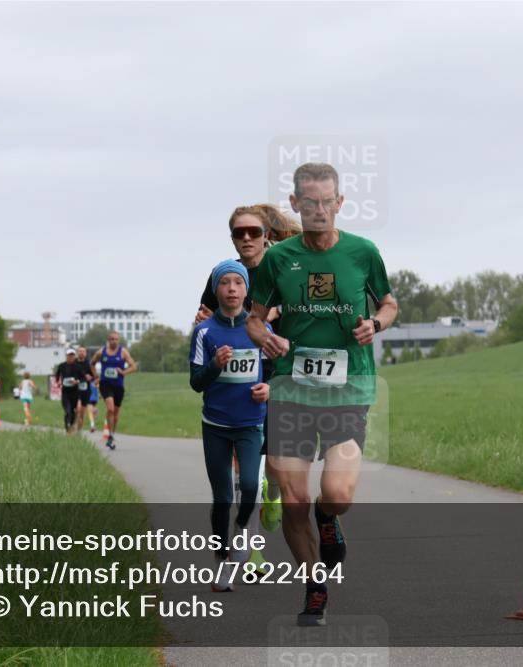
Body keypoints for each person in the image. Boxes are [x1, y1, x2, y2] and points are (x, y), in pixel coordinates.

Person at [247, 162, 398, 626]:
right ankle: (315, 586)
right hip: (291, 389)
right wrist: (264, 336)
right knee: (293, 498)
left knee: (336, 492)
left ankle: (329, 518)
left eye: (326, 202)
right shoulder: (278, 259)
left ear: (339, 204)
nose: (318, 210)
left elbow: (389, 303)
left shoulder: (362, 253)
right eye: (308, 202)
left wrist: (376, 323)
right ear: (295, 204)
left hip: (348, 388)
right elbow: (254, 318)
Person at [193, 205, 296, 533]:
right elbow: (206, 318)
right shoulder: (228, 275)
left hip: (278, 372)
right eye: (240, 233)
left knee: (276, 466)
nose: (247, 238)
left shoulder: (289, 271)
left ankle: (274, 492)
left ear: (270, 236)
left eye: (255, 232)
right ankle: (250, 548)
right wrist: (202, 322)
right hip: (240, 378)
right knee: (241, 469)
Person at [190, 260, 271, 591]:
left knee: (250, 485)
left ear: (247, 290)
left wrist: (269, 390)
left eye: (239, 282)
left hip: (251, 424)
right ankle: (222, 557)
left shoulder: (261, 330)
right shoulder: (204, 331)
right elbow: (196, 382)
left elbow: (276, 372)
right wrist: (215, 364)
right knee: (222, 496)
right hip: (216, 425)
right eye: (225, 283)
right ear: (216, 290)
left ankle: (241, 537)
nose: (233, 288)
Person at [91, 331, 138, 449]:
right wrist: (96, 376)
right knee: (110, 409)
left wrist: (123, 372)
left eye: (116, 339)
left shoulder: (123, 352)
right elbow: (92, 364)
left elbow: (134, 367)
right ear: (108, 340)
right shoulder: (101, 352)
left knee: (116, 412)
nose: (114, 341)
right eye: (112, 339)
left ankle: (112, 434)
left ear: (119, 340)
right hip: (105, 385)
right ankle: (110, 435)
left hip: (118, 386)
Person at [55, 348, 89, 433]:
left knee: (74, 412)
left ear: (74, 356)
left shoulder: (78, 367)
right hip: (65, 393)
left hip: (75, 393)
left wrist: (77, 381)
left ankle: (71, 426)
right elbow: (57, 375)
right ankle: (67, 428)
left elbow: (83, 378)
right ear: (66, 356)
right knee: (68, 411)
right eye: (69, 355)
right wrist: (58, 382)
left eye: (72, 355)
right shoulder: (62, 366)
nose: (71, 357)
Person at [75, 346, 94, 432]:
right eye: (80, 351)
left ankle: (79, 431)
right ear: (77, 353)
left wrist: (91, 377)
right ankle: (72, 426)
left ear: (86, 354)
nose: (82, 353)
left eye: (83, 351)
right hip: (75, 390)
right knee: (77, 409)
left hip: (85, 391)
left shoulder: (89, 364)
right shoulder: (73, 363)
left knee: (81, 414)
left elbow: (94, 376)